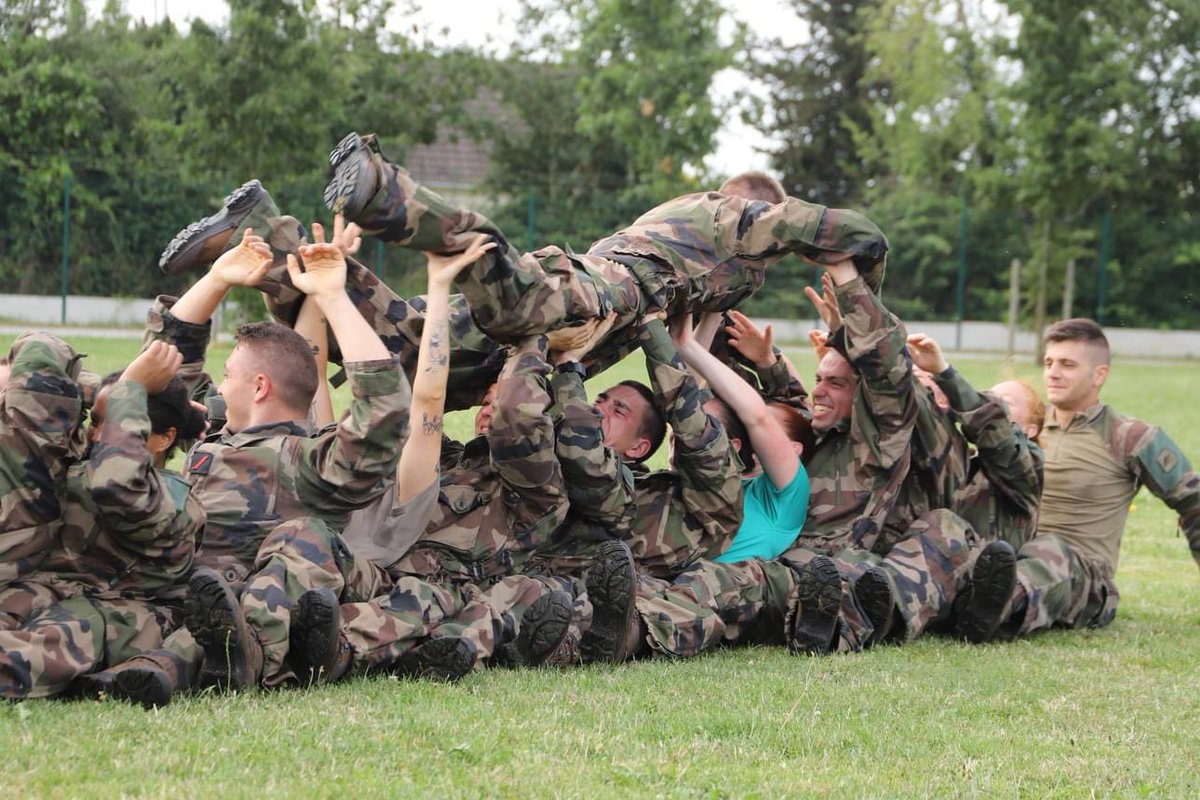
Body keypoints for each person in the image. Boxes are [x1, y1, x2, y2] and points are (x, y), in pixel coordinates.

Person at [85, 225, 412, 707]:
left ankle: (212, 661)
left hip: (247, 605)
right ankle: (145, 665)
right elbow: (168, 358)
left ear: (259, 387)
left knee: (305, 536)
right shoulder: (209, 435)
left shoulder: (308, 461)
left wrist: (334, 297)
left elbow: (384, 413)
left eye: (230, 374)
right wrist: (217, 278)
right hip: (176, 589)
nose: (219, 382)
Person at [0, 343, 207, 698]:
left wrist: (132, 390)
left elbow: (118, 484)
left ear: (163, 438)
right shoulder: (85, 462)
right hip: (47, 589)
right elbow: (42, 416)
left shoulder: (173, 500)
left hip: (114, 611)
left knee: (21, 657)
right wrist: (119, 387)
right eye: (94, 421)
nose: (96, 435)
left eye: (110, 423)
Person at [977, 318, 1199, 641]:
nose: (1052, 372)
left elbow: (1193, 500)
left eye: (1067, 364)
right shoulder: (1027, 426)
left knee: (1049, 552)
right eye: (1049, 362)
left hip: (1085, 580)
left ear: (1099, 375)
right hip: (1014, 556)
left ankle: (988, 604)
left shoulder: (1129, 436)